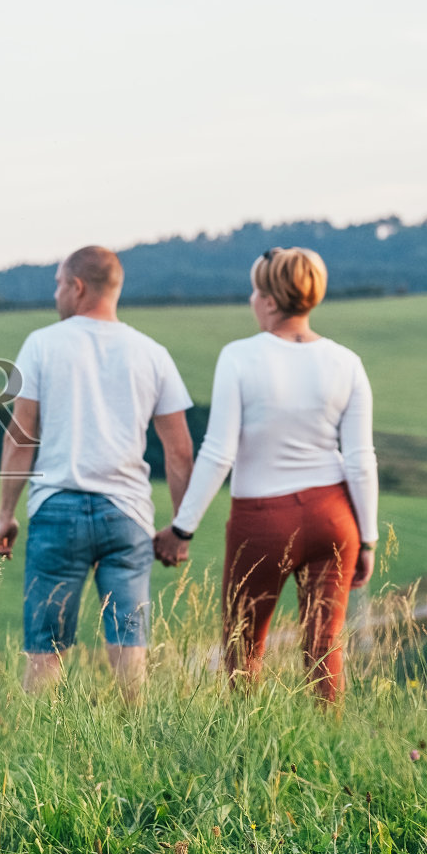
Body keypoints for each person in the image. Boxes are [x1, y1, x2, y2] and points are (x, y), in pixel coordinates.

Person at [159, 247, 377, 704]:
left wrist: (183, 528)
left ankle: (247, 751)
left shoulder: (240, 357)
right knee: (324, 647)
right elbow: (359, 458)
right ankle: (329, 749)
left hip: (262, 520)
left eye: (256, 291)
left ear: (272, 301)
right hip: (334, 517)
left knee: (243, 648)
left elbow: (219, 451)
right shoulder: (347, 362)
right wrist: (369, 538)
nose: (252, 300)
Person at [0, 245, 196, 698]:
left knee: (45, 649)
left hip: (56, 511)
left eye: (59, 283)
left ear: (78, 287)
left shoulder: (42, 344)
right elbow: (180, 451)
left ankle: (37, 746)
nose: (56, 293)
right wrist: (181, 529)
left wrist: (5, 514)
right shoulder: (153, 353)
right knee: (130, 648)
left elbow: (19, 437)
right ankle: (136, 742)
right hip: (128, 516)